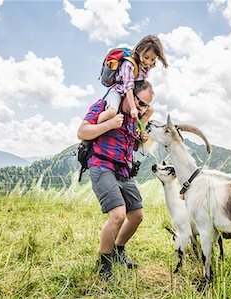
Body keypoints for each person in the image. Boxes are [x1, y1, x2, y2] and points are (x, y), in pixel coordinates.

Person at [77, 80, 154, 280]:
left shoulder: (133, 118)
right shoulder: (105, 106)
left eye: (145, 105)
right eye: (140, 102)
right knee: (118, 215)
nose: (142, 108)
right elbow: (82, 132)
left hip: (124, 170)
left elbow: (133, 146)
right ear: (130, 95)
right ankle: (104, 263)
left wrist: (141, 140)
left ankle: (118, 252)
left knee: (136, 215)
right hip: (101, 165)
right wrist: (109, 124)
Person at [97, 35, 167, 125]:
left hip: (131, 94)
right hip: (118, 91)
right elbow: (128, 87)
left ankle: (138, 130)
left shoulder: (144, 67)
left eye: (152, 59)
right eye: (146, 57)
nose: (148, 62)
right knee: (112, 112)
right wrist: (133, 107)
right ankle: (97, 125)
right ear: (139, 50)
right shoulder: (128, 65)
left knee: (150, 111)